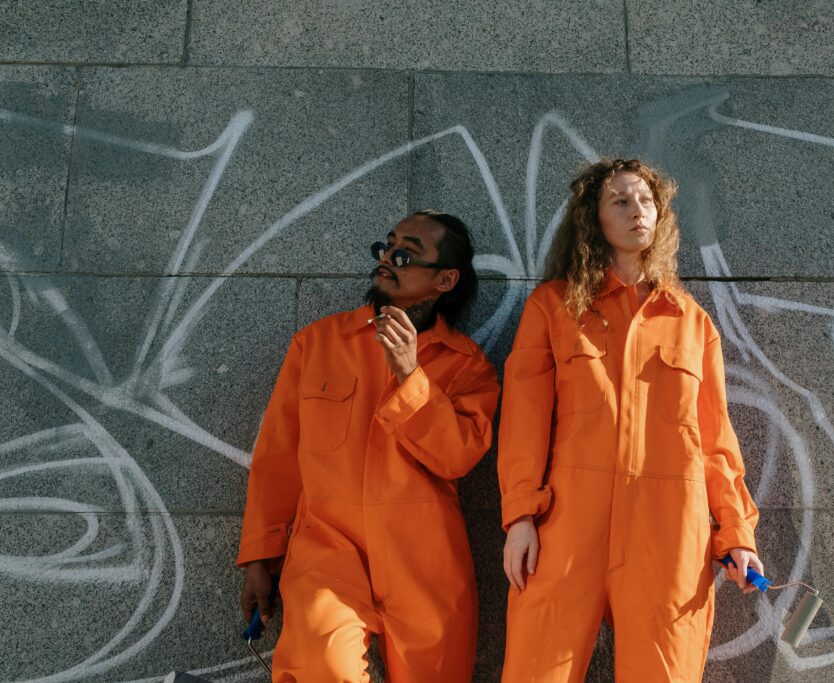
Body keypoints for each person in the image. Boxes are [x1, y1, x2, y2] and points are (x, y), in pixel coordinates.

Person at [498, 159, 763, 681]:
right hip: (569, 524)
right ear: (592, 220)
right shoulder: (554, 306)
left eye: (646, 200)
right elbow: (524, 418)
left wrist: (736, 532)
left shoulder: (691, 321)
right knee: (537, 669)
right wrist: (520, 516)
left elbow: (714, 438)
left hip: (669, 529)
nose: (637, 210)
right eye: (620, 201)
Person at [238, 210, 499, 682]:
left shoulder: (468, 366)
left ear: (445, 279)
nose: (388, 259)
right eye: (387, 246)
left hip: (426, 563)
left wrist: (410, 375)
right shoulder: (318, 343)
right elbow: (277, 457)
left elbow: (458, 456)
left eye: (406, 253)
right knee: (320, 667)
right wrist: (261, 557)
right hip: (327, 551)